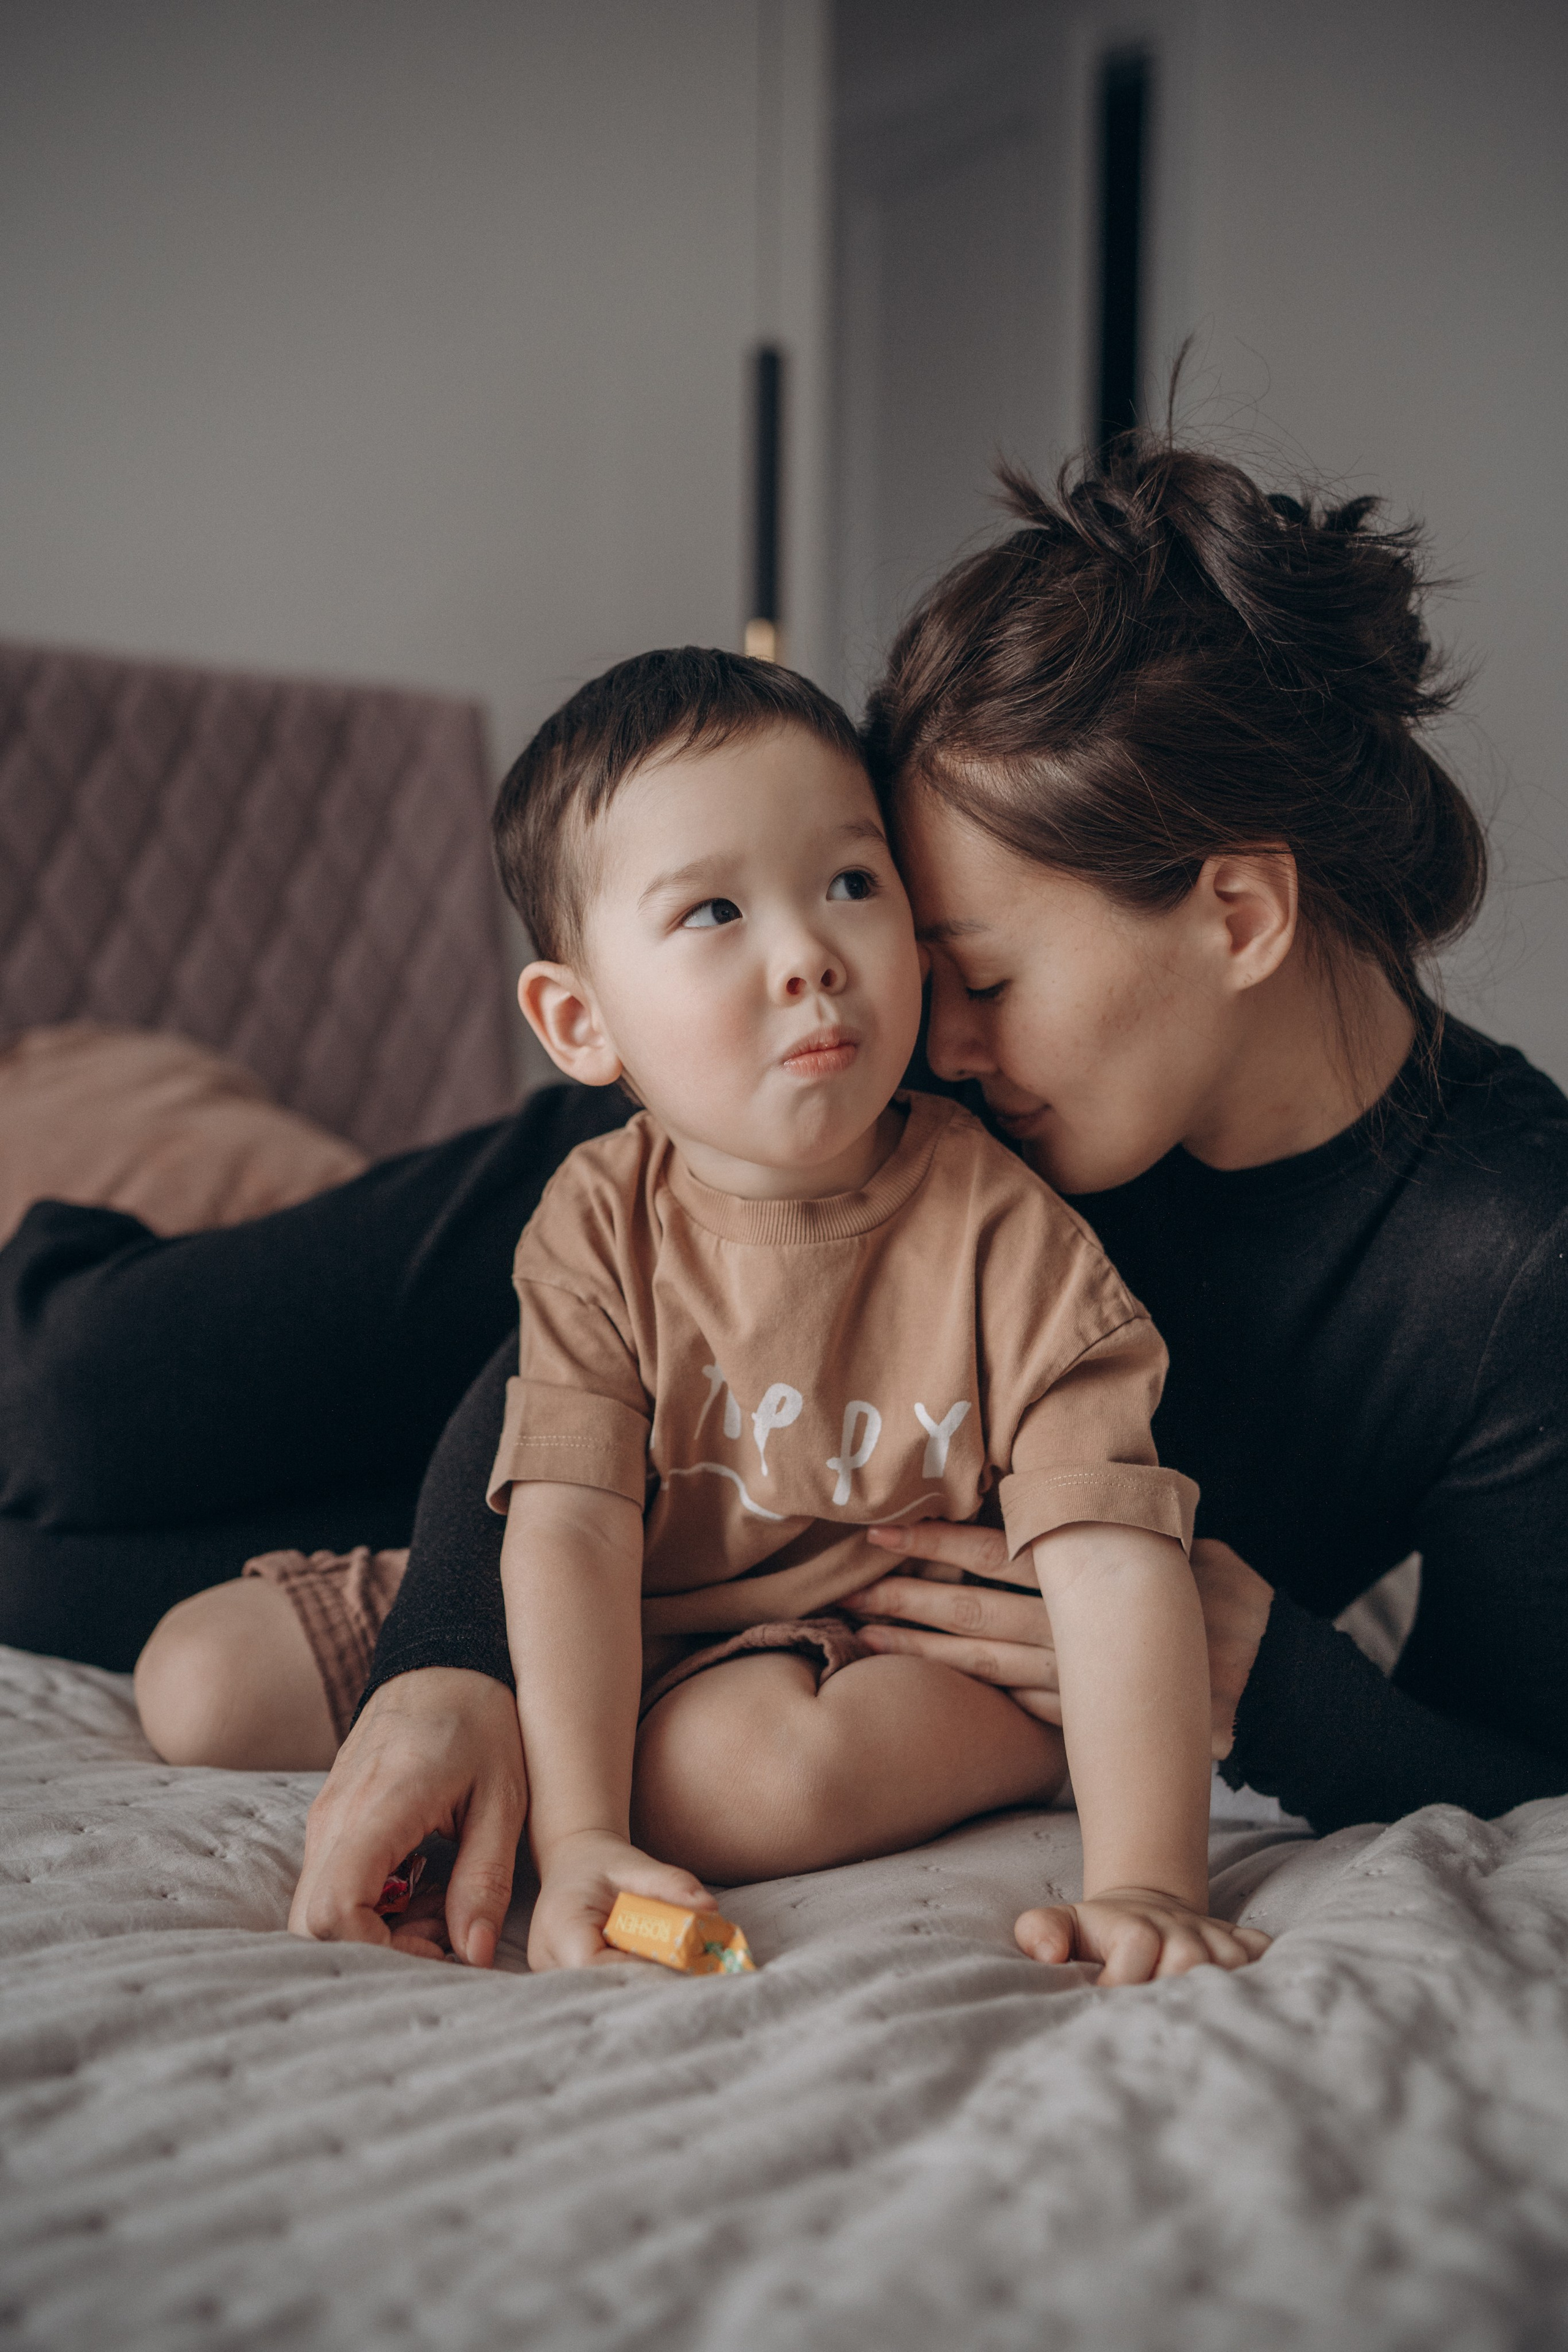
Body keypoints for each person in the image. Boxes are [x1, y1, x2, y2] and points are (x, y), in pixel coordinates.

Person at [4, 427, 1564, 1975]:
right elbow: (583, 1347)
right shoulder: (901, 1061)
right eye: (915, 949)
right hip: (644, 1244)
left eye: (983, 979)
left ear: (1234, 915)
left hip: (753, 1539)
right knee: (87, 1402)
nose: (923, 1046)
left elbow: (1523, 1773)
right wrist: (448, 1657)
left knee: (70, 1586)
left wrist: (1262, 1675)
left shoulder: (1509, 1262)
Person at [136, 648, 1265, 1985]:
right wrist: (585, 1829)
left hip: (845, 1637)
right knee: (196, 1680)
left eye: (851, 884)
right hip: (622, 1600)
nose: (808, 957)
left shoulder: (1006, 1234)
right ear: (578, 1021)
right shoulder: (594, 1220)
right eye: (714, 913)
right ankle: (560, 1748)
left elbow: (1108, 1559)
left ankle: (1040, 1739)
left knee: (749, 1781)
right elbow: (562, 1523)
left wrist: (1145, 1880)